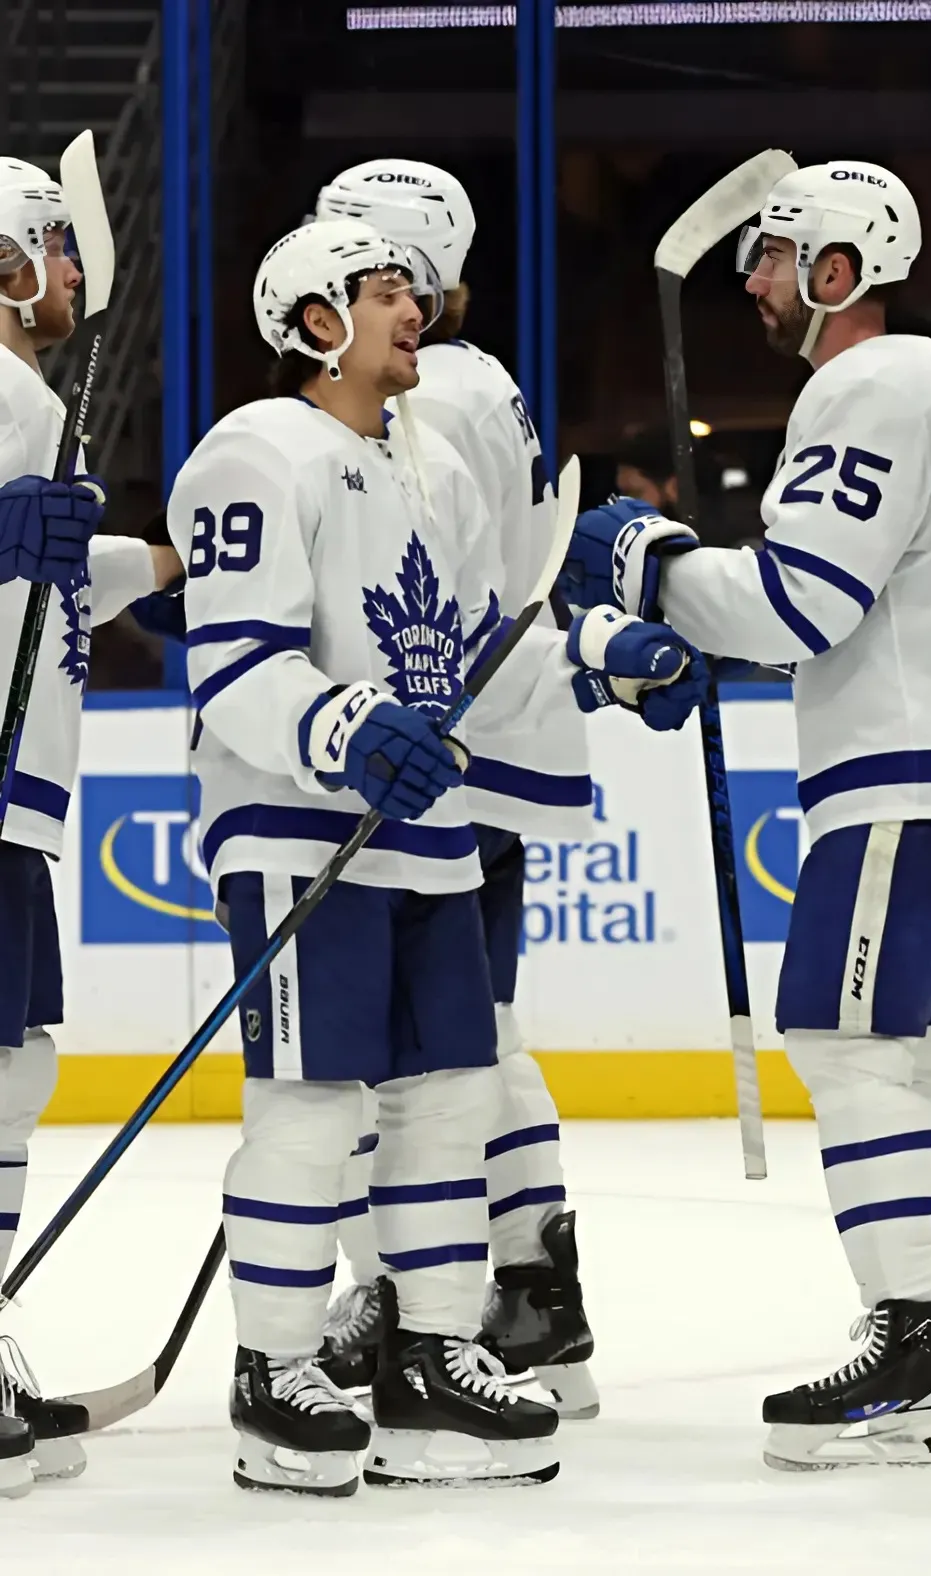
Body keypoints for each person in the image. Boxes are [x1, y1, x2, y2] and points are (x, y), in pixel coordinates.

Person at [567, 161, 931, 1469]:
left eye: (779, 256)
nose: (755, 280)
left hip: (909, 766)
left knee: (842, 1043)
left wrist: (647, 559)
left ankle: (914, 1344)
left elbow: (799, 608)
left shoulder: (869, 383)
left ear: (840, 270)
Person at [182, 217, 687, 1494]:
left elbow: (474, 657)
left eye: (413, 286)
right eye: (385, 291)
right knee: (310, 1108)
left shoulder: (430, 467)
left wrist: (599, 662)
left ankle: (428, 1357)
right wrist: (344, 725)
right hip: (304, 831)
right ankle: (274, 1372)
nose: (417, 307)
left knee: (451, 1095)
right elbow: (234, 665)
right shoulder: (254, 452)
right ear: (315, 323)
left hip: (425, 836)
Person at [308, 157, 601, 1418]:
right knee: (468, 1027)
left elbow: (430, 576)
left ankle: (411, 1283)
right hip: (485, 735)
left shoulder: (438, 389)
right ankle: (534, 1278)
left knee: (410, 1043)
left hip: (446, 743)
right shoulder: (479, 379)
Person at [0, 155, 179, 1490]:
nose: (72, 275)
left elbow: (45, 569)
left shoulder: (28, 397)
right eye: (56, 251)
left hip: (17, 793)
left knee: (19, 1064)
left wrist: (165, 562)